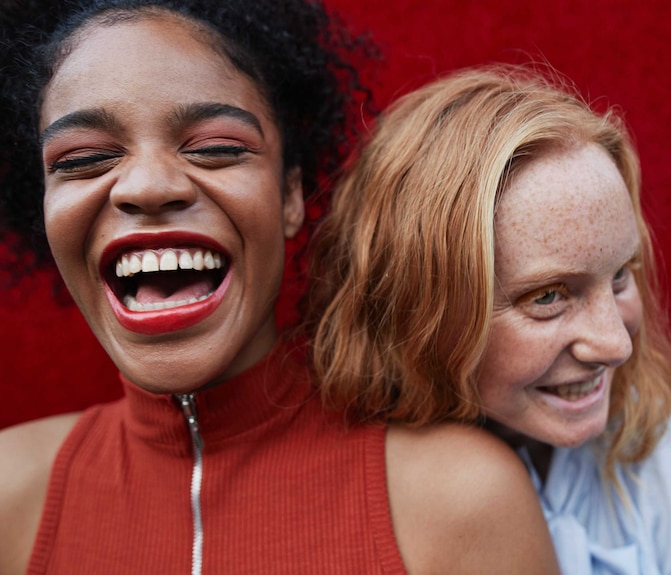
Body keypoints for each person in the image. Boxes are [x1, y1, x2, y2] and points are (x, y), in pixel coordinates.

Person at [0, 4, 560, 574]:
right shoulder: (8, 493)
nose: (147, 186)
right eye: (85, 158)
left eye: (216, 147)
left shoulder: (461, 499)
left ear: (291, 195)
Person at [309, 65, 671, 574]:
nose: (614, 345)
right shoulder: (324, 478)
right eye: (549, 296)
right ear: (419, 306)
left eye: (621, 274)